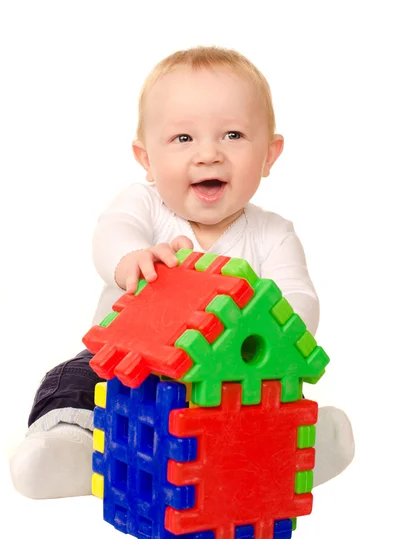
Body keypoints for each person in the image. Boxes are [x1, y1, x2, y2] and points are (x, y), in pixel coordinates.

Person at [10, 45, 355, 500]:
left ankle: (301, 451)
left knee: (264, 406)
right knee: (71, 381)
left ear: (270, 155)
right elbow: (112, 232)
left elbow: (299, 299)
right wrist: (131, 257)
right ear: (146, 158)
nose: (209, 154)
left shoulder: (274, 234)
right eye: (183, 139)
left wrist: (276, 329)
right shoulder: (145, 204)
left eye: (233, 135)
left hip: (222, 382)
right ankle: (73, 449)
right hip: (126, 367)